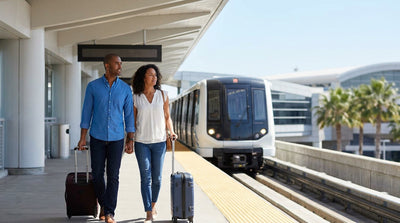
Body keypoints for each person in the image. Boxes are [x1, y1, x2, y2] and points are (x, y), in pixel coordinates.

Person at [78, 53, 135, 223]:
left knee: (113, 176)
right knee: (96, 174)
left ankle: (109, 212)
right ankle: (104, 203)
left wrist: (130, 139)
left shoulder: (125, 89)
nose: (120, 66)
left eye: (120, 63)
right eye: (117, 63)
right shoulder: (93, 87)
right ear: (107, 66)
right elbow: (86, 113)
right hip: (97, 137)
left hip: (117, 138)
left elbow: (129, 115)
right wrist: (82, 138)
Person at [129, 64, 177, 223]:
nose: (154, 78)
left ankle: (153, 204)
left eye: (156, 75)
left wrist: (171, 131)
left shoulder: (163, 95)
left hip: (159, 142)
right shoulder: (135, 97)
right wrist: (129, 139)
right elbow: (133, 121)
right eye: (151, 75)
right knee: (145, 178)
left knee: (157, 178)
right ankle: (148, 212)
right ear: (144, 77)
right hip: (141, 142)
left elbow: (167, 116)